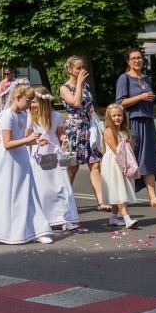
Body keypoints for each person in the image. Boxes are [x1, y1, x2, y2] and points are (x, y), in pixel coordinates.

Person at [0, 83, 53, 244]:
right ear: (18, 97)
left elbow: (22, 141)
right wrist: (28, 139)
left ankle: (37, 229)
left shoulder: (23, 116)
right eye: (28, 100)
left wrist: (36, 142)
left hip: (21, 157)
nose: (31, 104)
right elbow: (7, 143)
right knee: (6, 193)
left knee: (27, 192)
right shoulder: (7, 115)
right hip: (9, 160)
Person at [115, 47, 156, 207]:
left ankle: (153, 197)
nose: (137, 60)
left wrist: (147, 98)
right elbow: (119, 102)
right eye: (133, 58)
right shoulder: (124, 78)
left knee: (148, 158)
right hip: (133, 122)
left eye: (139, 58)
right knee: (132, 159)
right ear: (128, 61)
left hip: (148, 121)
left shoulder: (146, 79)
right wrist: (141, 97)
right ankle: (122, 197)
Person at [60, 56, 110, 212]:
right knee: (72, 168)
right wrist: (80, 83)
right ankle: (64, 202)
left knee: (95, 164)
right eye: (78, 68)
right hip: (74, 130)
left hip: (88, 128)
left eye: (83, 67)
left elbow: (88, 104)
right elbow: (75, 102)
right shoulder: (64, 88)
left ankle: (101, 202)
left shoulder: (86, 86)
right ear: (69, 69)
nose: (81, 71)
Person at [28, 86, 79, 231]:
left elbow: (59, 133)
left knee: (60, 186)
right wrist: (35, 140)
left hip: (54, 153)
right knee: (43, 188)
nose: (32, 105)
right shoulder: (32, 117)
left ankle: (64, 217)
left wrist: (65, 139)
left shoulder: (56, 116)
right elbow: (27, 137)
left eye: (35, 102)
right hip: (40, 154)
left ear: (43, 102)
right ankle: (45, 218)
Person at [100, 103, 139, 229]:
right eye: (114, 116)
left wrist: (128, 142)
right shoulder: (108, 131)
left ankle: (113, 218)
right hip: (114, 162)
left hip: (124, 160)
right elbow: (116, 150)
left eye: (119, 115)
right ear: (109, 117)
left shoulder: (124, 130)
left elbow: (131, 148)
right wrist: (123, 145)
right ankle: (127, 219)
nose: (117, 118)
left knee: (119, 190)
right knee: (119, 189)